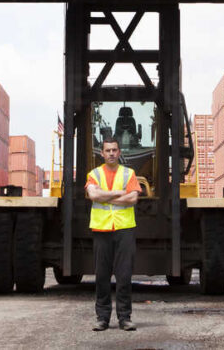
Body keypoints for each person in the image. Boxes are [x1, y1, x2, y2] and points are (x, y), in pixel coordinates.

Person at [85, 137, 140, 331]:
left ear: (119, 152)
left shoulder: (129, 173)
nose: (111, 153)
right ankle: (102, 318)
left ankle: (125, 318)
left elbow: (133, 198)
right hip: (102, 229)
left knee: (124, 276)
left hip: (124, 229)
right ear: (102, 153)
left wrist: (107, 196)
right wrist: (119, 193)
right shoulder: (94, 174)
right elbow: (94, 195)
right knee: (102, 276)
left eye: (114, 150)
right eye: (107, 150)